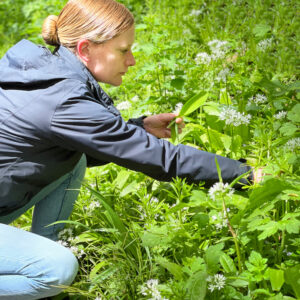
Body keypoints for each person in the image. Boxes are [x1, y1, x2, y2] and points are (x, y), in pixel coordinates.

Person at [0, 0, 260, 298]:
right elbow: (162, 159)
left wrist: (139, 128)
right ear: (85, 49)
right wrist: (248, 175)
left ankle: (42, 247)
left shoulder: (43, 75)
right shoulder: (62, 100)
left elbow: (91, 140)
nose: (133, 60)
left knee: (74, 159)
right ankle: (41, 266)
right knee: (56, 269)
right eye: (124, 50)